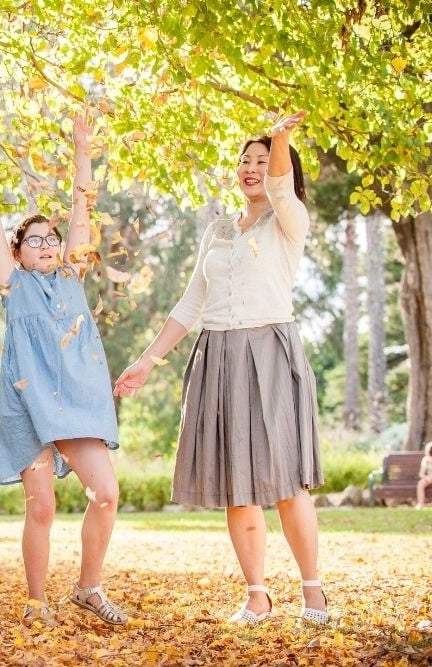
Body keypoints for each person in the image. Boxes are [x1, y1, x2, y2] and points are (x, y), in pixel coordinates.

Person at [114, 110, 330, 625]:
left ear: (281, 170)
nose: (250, 167)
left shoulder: (289, 219)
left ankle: (313, 591)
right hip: (218, 356)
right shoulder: (218, 230)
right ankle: (256, 594)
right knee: (239, 482)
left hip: (271, 352)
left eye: (262, 160)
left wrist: (279, 138)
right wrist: (148, 360)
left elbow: (280, 186)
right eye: (244, 160)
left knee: (285, 484)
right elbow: (190, 304)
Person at [0, 110, 126, 628]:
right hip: (28, 402)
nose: (47, 244)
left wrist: (81, 146)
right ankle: (36, 602)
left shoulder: (74, 273)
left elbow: (81, 204)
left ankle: (88, 588)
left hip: (77, 400)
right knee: (42, 508)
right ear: (20, 254)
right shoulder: (14, 283)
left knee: (106, 494)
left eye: (52, 238)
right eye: (35, 241)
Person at [416, 442, 432, 509]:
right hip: (428, 478)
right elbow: (421, 473)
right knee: (420, 484)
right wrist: (426, 478)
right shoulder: (425, 459)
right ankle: (420, 503)